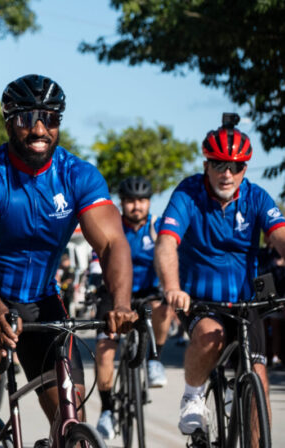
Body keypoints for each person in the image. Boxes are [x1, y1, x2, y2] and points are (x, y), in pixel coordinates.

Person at [0, 74, 137, 448]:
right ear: (9, 121)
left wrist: (120, 302)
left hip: (43, 301)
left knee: (72, 420)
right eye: (27, 118)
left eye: (51, 118)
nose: (40, 128)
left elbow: (111, 245)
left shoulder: (78, 175)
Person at [155, 113, 285, 437]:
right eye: (218, 165)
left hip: (244, 300)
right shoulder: (188, 194)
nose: (227, 174)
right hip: (199, 299)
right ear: (206, 164)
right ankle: (193, 395)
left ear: (244, 169)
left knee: (258, 375)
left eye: (236, 167)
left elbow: (280, 236)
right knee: (210, 334)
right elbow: (166, 243)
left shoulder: (257, 197)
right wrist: (172, 288)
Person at [93, 176, 176, 440]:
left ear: (149, 202)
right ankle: (107, 410)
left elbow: (172, 256)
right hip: (114, 293)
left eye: (141, 200)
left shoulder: (158, 227)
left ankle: (154, 359)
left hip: (148, 294)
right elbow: (98, 258)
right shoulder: (111, 225)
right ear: (122, 203)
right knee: (105, 352)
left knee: (162, 306)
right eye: (130, 201)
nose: (136, 206)